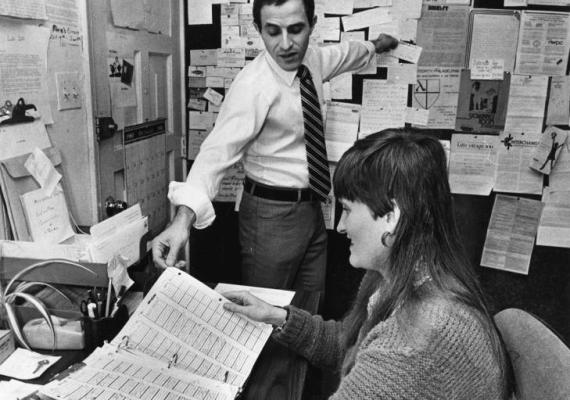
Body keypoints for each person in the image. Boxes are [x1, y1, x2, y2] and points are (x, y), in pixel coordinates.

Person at [223, 129, 513, 399]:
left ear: (392, 216)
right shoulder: (402, 275)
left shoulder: (417, 338)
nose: (340, 225)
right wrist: (277, 316)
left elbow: (386, 354)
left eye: (347, 210)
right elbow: (355, 345)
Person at [152, 0, 398, 292]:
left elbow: (347, 54)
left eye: (296, 30)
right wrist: (182, 221)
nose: (285, 45)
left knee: (307, 308)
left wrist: (376, 45)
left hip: (313, 207)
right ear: (258, 29)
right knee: (266, 309)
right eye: (272, 32)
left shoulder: (313, 60)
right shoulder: (252, 86)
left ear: (312, 25)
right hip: (270, 216)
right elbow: (216, 154)